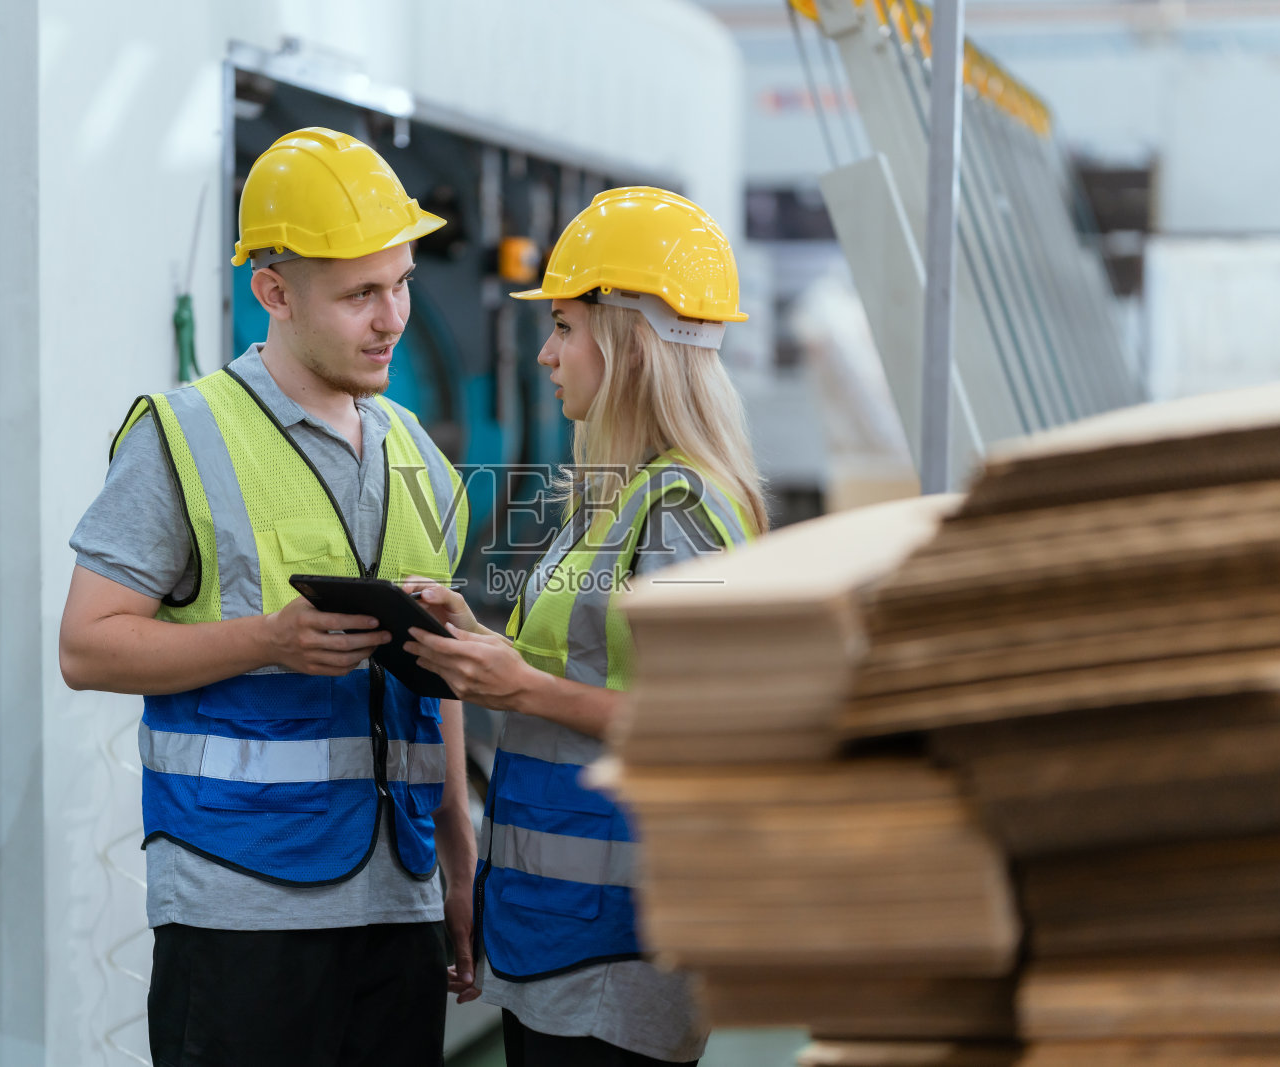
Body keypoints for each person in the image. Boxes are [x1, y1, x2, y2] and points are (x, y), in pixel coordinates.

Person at [58, 127, 477, 1067]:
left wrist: (459, 857)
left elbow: (435, 674)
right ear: (274, 292)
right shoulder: (183, 435)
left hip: (400, 897)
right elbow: (86, 646)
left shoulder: (418, 451)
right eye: (361, 294)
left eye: (402, 283)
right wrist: (267, 640)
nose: (393, 318)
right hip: (241, 904)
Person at [400, 187, 770, 1067]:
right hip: (560, 928)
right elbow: (592, 667)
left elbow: (706, 731)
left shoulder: (683, 511)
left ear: (632, 342)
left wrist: (522, 688)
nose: (546, 354)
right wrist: (484, 643)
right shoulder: (617, 497)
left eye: (564, 327)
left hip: (622, 941)